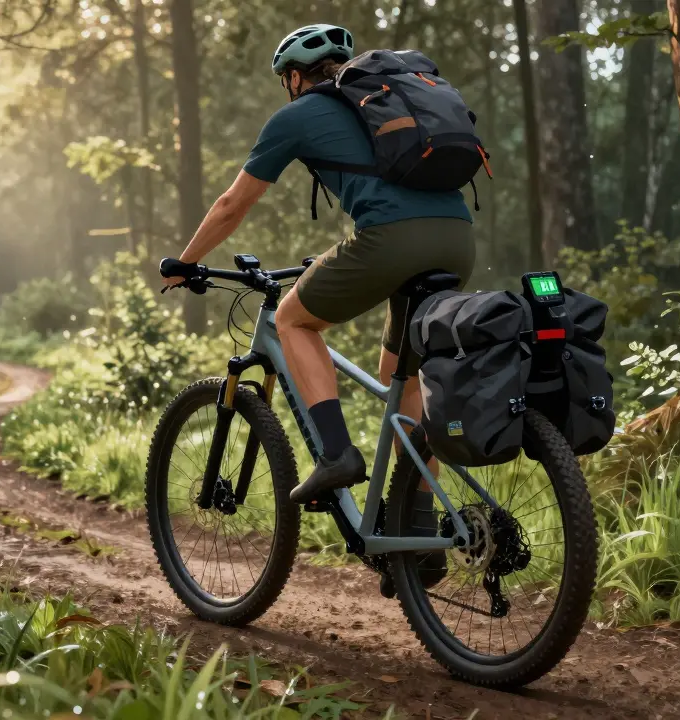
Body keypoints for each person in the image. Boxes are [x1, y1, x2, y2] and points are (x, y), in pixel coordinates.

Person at [164, 24, 475, 586]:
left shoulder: (299, 114)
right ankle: (418, 526)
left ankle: (336, 454)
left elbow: (235, 203)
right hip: (457, 237)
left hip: (390, 240)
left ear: (292, 77)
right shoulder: (382, 101)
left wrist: (186, 262)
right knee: (402, 379)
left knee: (291, 318)